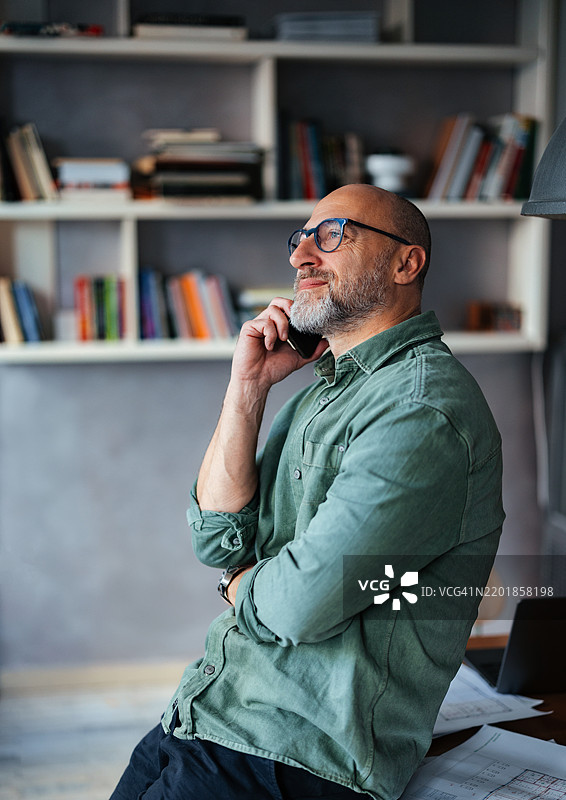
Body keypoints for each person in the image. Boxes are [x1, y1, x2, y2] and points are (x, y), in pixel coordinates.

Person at [111, 184, 504, 800]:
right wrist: (247, 387)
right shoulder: (320, 394)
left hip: (293, 759)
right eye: (300, 239)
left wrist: (240, 585)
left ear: (406, 263)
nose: (300, 257)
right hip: (209, 711)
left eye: (333, 235)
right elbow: (217, 540)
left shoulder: (422, 407)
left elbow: (300, 603)